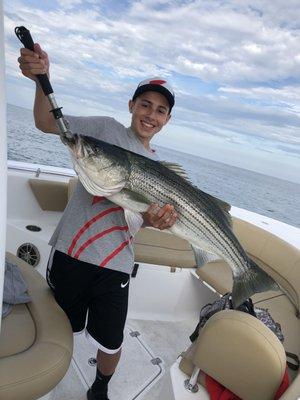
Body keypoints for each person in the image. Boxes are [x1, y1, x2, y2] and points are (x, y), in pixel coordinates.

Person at [18, 43, 178, 400]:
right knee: (60, 326)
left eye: (160, 110)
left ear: (167, 120)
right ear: (131, 106)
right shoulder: (105, 131)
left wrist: (155, 220)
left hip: (116, 265)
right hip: (71, 254)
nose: (150, 114)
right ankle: (47, 372)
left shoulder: (160, 170)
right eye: (145, 105)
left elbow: (141, 220)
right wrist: (40, 80)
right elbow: (48, 122)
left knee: (110, 340)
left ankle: (101, 387)